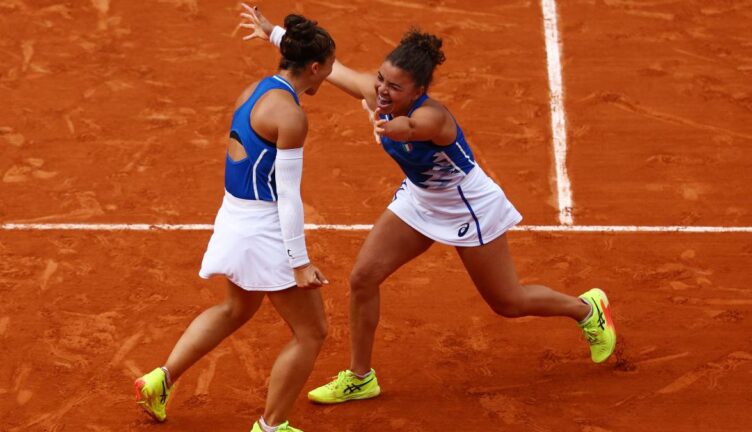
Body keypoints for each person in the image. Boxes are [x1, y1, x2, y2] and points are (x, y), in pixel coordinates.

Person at [241, 4, 616, 406]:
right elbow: (335, 70)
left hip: (467, 206)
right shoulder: (382, 95)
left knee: (507, 301)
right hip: (421, 198)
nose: (383, 90)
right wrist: (276, 35)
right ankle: (360, 376)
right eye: (381, 79)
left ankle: (585, 309)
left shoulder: (432, 118)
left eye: (394, 87)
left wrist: (380, 119)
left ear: (418, 92)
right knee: (363, 278)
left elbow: (404, 128)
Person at [134, 14, 336, 432]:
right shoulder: (292, 117)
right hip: (263, 229)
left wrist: (274, 35)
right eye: (330, 66)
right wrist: (298, 261)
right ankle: (271, 425)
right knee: (311, 333)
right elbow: (289, 197)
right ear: (315, 68)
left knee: (235, 308)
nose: (331, 73)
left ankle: (160, 379)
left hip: (234, 217)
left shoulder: (256, 89)